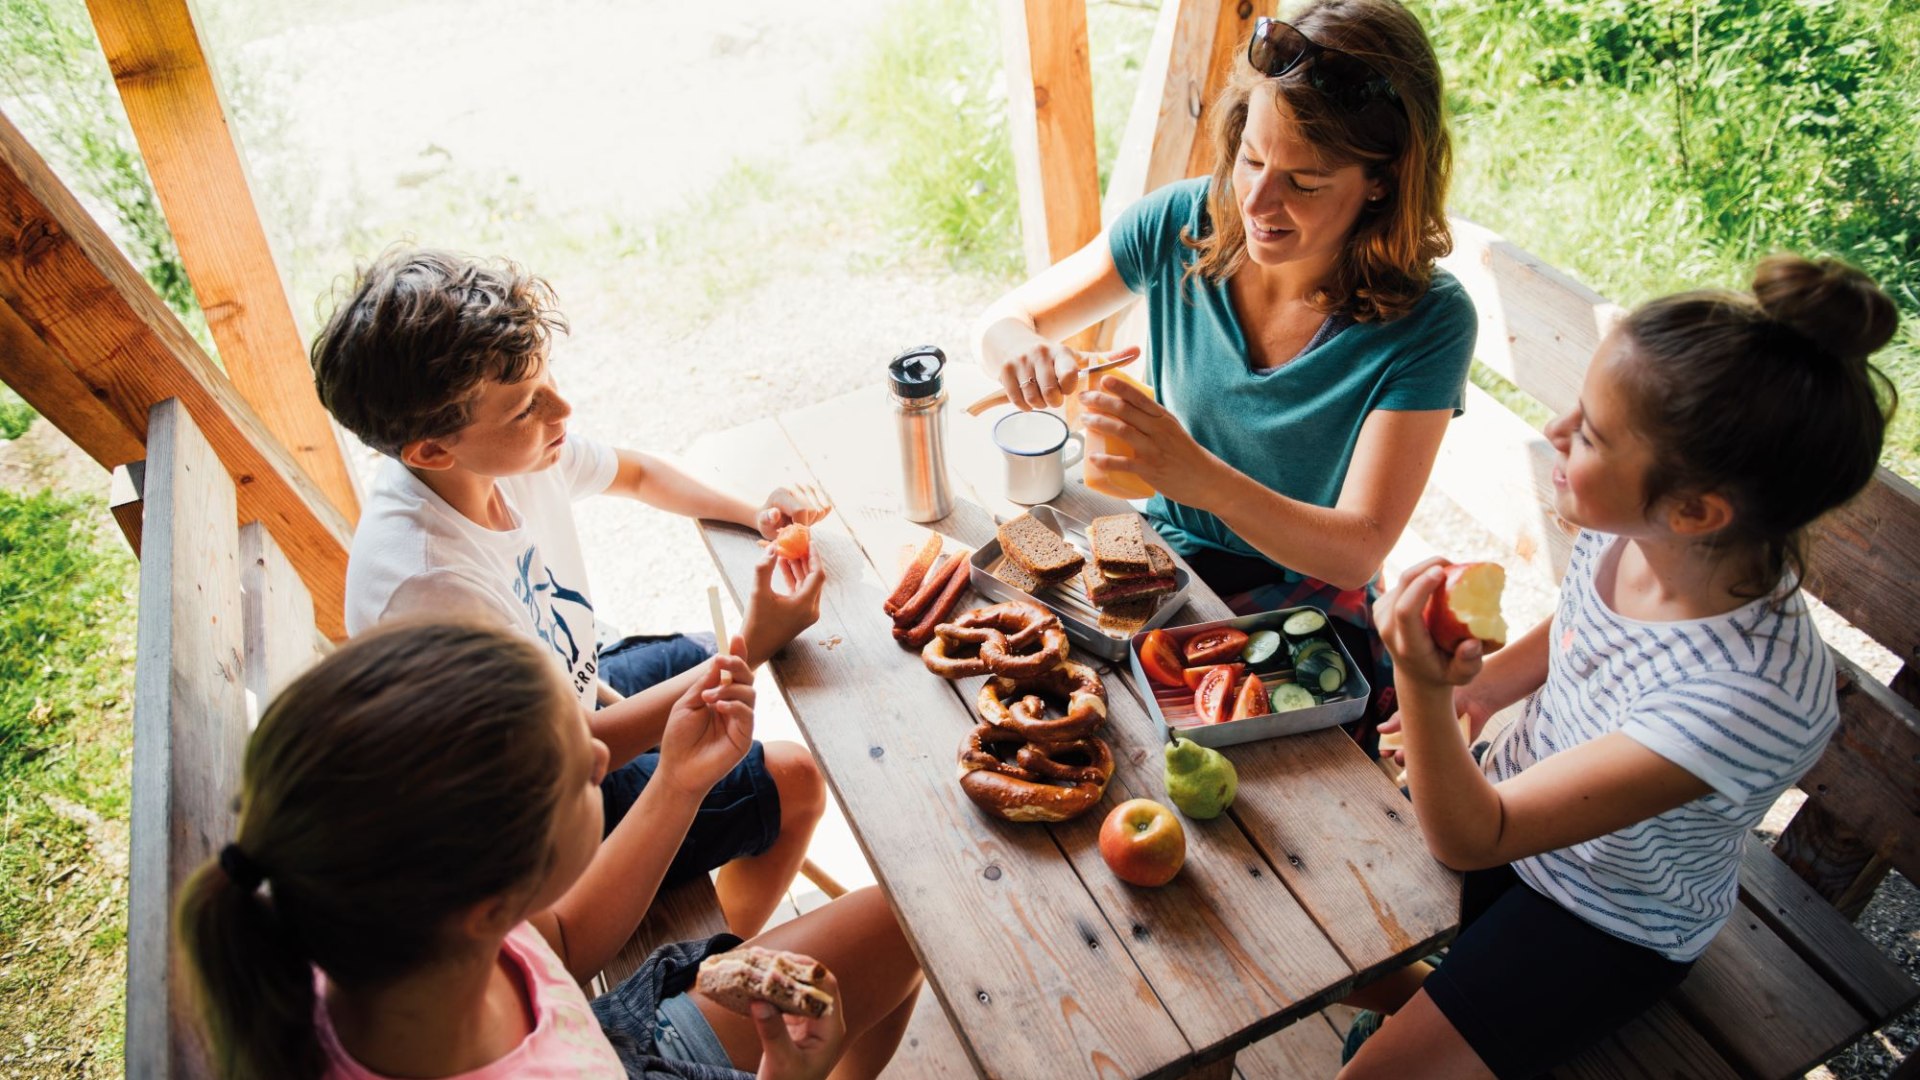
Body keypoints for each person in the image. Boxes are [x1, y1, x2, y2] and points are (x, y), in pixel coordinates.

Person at [1340, 255, 1899, 1078]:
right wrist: (1488, 686)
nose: (1558, 432)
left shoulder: (1747, 695)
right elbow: (1583, 628)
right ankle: (1450, 1003)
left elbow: (1471, 836)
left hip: (1601, 912)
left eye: (1592, 433)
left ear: (1696, 509)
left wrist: (1424, 687)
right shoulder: (1642, 528)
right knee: (1308, 932)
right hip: (1515, 804)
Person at [974, 0, 1475, 747]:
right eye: (1251, 158)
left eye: (1305, 183)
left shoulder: (1429, 321)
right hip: (1162, 566)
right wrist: (1020, 345)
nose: (1259, 202)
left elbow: (1359, 549)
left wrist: (1189, 471)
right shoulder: (1179, 224)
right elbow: (1008, 318)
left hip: (1310, 603)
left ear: (1381, 182)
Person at [311, 247, 827, 937]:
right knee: (796, 780)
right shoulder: (427, 588)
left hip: (570, 702)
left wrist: (753, 514)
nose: (563, 407)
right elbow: (582, 750)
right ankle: (713, 955)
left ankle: (723, 837)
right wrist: (756, 643)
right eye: (528, 405)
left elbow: (640, 475)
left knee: (700, 657)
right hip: (539, 818)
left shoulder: (504, 457)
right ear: (432, 449)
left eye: (546, 378)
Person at [175, 618, 923, 1080]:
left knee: (905, 923)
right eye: (578, 775)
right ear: (491, 903)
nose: (603, 760)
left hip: (594, 1036)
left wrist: (674, 784)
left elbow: (555, 944)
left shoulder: (361, 928)